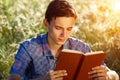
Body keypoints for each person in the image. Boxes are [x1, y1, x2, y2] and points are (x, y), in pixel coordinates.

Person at [8, 0, 119, 80]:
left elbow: (115, 75)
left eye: (69, 29)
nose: (64, 35)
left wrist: (108, 76)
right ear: (46, 23)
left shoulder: (81, 48)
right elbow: (13, 78)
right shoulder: (28, 48)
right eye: (58, 28)